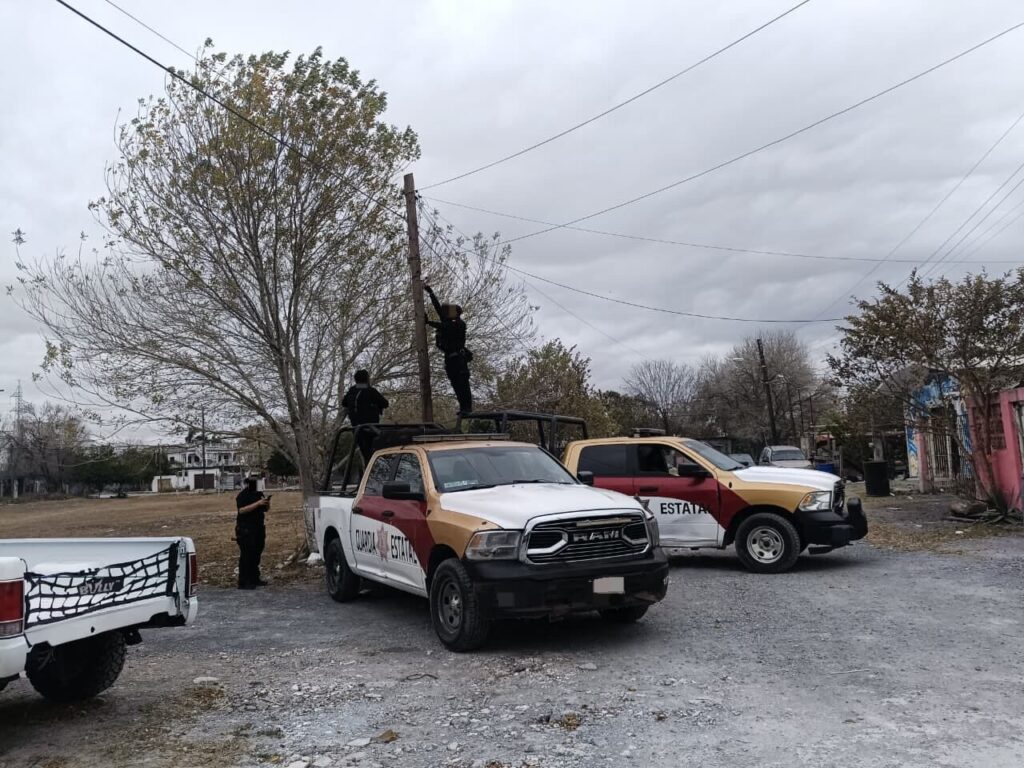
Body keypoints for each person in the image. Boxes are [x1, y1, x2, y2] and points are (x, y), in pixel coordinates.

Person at [424, 284, 473, 414]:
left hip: (459, 359)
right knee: (455, 384)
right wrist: (430, 293)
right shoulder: (448, 321)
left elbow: (446, 328)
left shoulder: (459, 324)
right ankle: (463, 408)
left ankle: (467, 408)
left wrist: (429, 322)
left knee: (462, 384)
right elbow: (438, 308)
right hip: (450, 359)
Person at [342, 369, 390, 464]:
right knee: (377, 454)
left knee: (367, 455)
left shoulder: (352, 391)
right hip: (370, 429)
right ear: (367, 379)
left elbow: (344, 403)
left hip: (356, 429)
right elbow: (385, 403)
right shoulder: (370, 391)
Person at [235, 476, 270, 590]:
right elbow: (241, 510)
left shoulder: (259, 494)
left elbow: (265, 509)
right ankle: (244, 581)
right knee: (246, 555)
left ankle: (254, 578)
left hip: (258, 527)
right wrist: (257, 504)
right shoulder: (243, 495)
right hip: (246, 528)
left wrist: (266, 502)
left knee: (256, 554)